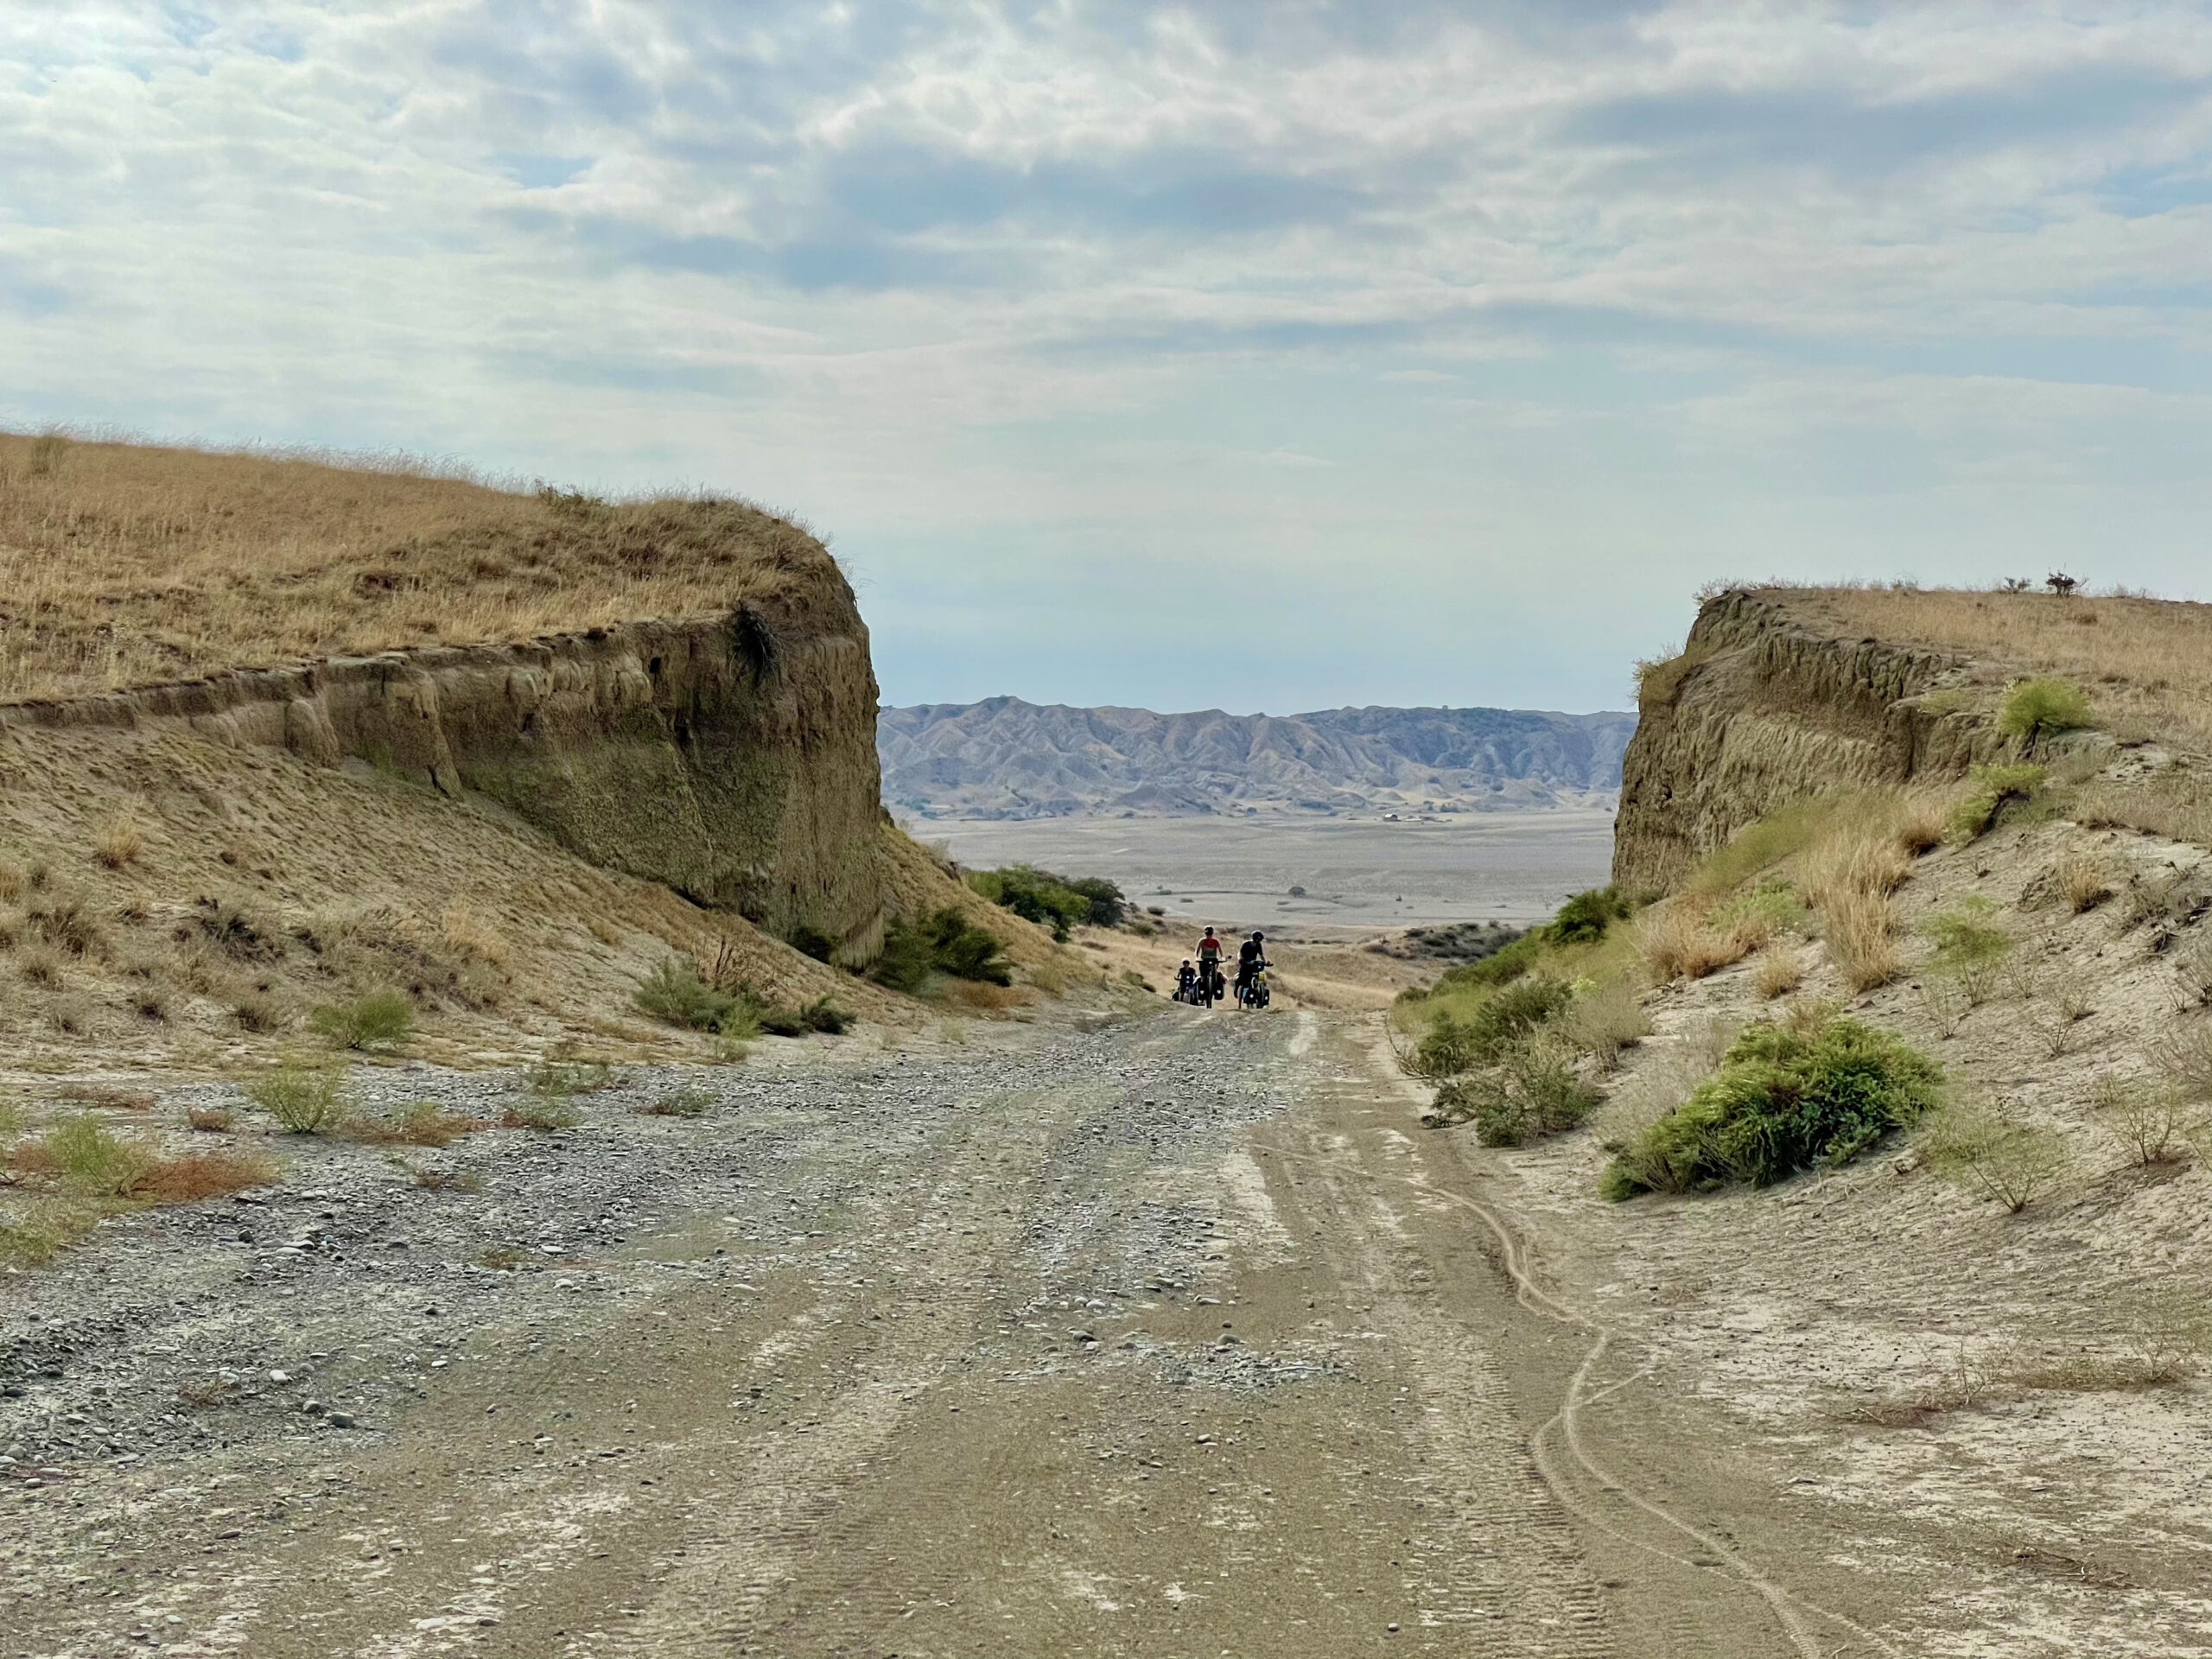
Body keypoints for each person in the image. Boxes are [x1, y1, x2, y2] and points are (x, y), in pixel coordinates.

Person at [1235, 931, 1268, 1005]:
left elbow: (1261, 955)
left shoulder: (1258, 945)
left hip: (1253, 965)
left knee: (1262, 976)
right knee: (1242, 984)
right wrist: (1240, 959)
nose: (1258, 941)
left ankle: (1261, 992)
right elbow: (1240, 953)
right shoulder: (1246, 944)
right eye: (1258, 939)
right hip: (1245, 964)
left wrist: (1265, 962)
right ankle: (1239, 1004)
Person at [1194, 927, 1227, 1001]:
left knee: (1215, 971)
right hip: (1204, 960)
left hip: (1213, 959)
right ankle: (1202, 989)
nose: (1209, 936)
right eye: (1207, 934)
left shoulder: (1216, 941)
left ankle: (1214, 985)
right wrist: (1196, 958)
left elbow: (1220, 951)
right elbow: (1197, 951)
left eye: (1210, 934)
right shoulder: (1202, 941)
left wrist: (1222, 958)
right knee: (1203, 976)